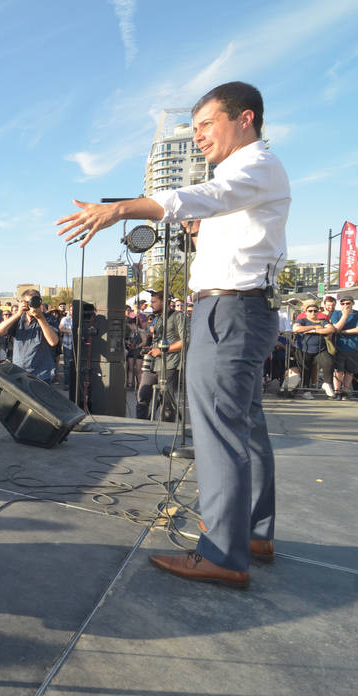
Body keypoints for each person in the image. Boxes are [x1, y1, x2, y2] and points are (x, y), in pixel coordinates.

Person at [57, 81, 287, 588]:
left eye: (207, 123)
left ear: (244, 118)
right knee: (245, 425)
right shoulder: (250, 176)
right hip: (237, 310)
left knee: (221, 431)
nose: (200, 135)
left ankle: (224, 553)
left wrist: (119, 208)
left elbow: (200, 196)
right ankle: (251, 533)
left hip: (229, 311)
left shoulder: (252, 167)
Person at [135, 291, 188, 421]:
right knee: (142, 396)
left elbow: (186, 340)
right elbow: (155, 340)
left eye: (154, 302)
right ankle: (140, 428)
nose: (151, 305)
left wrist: (164, 350)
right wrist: (150, 348)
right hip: (152, 364)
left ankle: (167, 432)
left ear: (164, 302)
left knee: (167, 403)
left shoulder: (178, 316)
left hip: (169, 364)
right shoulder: (157, 319)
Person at [0, 289, 59, 383]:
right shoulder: (18, 319)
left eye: (34, 302)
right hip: (19, 373)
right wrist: (18, 313)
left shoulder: (48, 319)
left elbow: (53, 341)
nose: (31, 306)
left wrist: (40, 317)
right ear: (22, 303)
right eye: (28, 303)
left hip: (42, 375)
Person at [328, 296, 358, 400]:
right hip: (339, 346)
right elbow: (336, 328)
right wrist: (344, 315)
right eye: (343, 303)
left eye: (348, 303)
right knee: (338, 370)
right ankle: (337, 391)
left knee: (350, 371)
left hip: (354, 346)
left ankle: (345, 391)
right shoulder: (336, 314)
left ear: (353, 303)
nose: (346, 305)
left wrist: (344, 332)